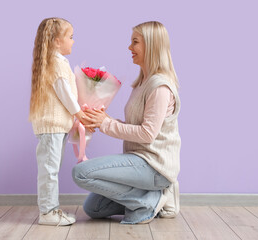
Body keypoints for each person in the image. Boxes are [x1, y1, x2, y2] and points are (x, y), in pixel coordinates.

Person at [72, 21, 181, 224]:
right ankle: (148, 197)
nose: (130, 48)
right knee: (93, 208)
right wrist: (102, 120)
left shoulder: (160, 87)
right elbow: (136, 125)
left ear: (151, 45)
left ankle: (151, 199)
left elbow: (148, 134)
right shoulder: (142, 83)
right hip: (138, 160)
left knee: (81, 173)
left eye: (135, 42)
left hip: (154, 166)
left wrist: (106, 124)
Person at [29, 17, 91, 226]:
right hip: (52, 127)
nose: (73, 41)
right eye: (70, 37)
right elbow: (64, 91)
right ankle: (47, 212)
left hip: (56, 127)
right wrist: (78, 113)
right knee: (50, 170)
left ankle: (51, 209)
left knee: (51, 169)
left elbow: (66, 91)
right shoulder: (56, 62)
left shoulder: (56, 61)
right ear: (56, 41)